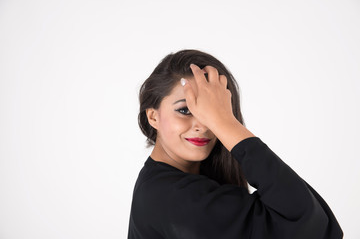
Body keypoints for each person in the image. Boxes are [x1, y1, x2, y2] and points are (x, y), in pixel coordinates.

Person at [127, 49, 343, 238]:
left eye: (211, 112)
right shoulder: (173, 198)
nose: (203, 125)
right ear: (153, 117)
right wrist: (226, 124)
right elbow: (308, 224)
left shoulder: (167, 184)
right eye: (185, 110)